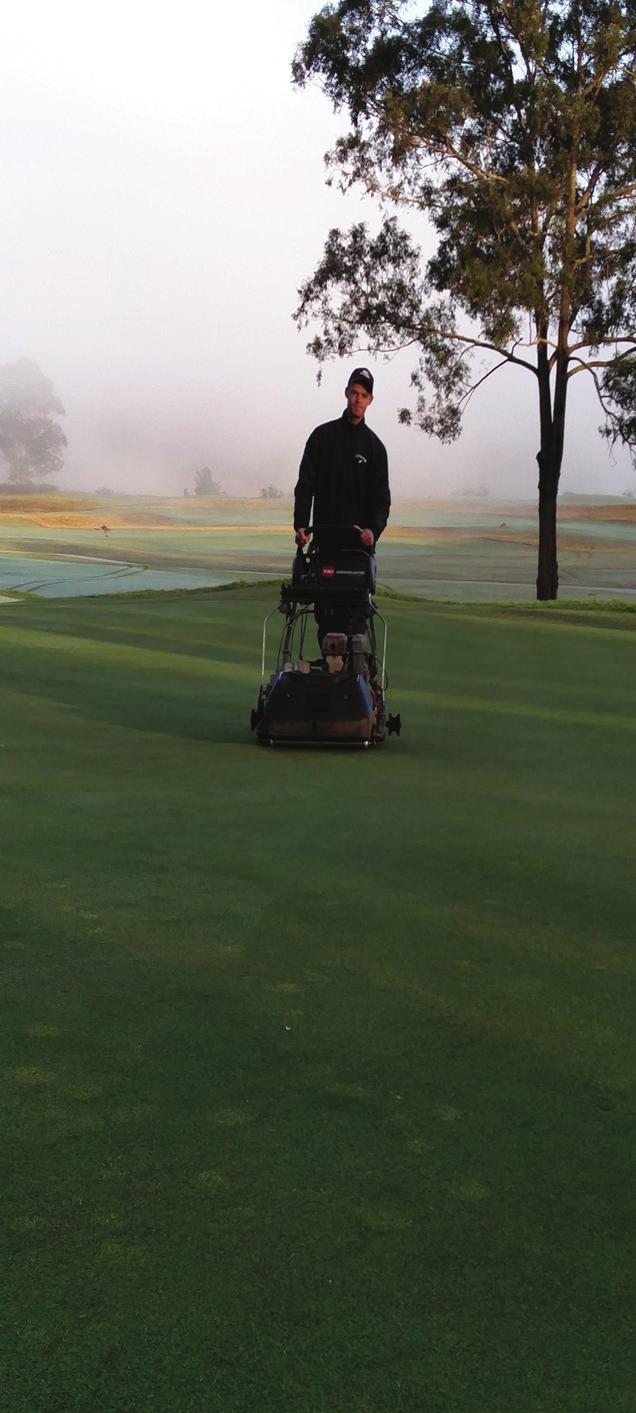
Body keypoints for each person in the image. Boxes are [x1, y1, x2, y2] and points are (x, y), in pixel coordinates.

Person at [293, 367, 391, 650]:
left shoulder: (375, 448)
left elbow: (381, 501)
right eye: (353, 393)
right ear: (346, 393)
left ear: (370, 400)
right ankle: (327, 683)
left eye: (363, 395)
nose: (357, 399)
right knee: (327, 632)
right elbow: (305, 486)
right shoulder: (321, 437)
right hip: (325, 550)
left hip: (357, 555)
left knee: (355, 632)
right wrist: (301, 525)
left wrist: (373, 530)